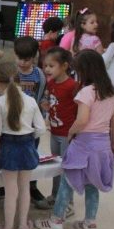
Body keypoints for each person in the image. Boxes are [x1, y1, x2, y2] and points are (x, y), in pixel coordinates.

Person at [36, 50, 114, 229]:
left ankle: (56, 221)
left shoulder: (86, 92)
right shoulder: (111, 92)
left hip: (84, 144)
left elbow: (82, 120)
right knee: (93, 184)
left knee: (67, 181)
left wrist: (71, 132)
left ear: (84, 71)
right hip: (103, 146)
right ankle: (90, 224)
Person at [0, 61, 46, 229]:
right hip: (27, 146)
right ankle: (22, 225)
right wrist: (29, 137)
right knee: (24, 188)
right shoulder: (31, 101)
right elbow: (41, 128)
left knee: (10, 191)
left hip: (7, 148)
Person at [38, 47, 78, 212]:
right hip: (54, 132)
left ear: (64, 66)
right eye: (45, 65)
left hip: (67, 135)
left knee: (66, 169)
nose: (47, 69)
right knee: (56, 167)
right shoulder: (51, 83)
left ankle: (68, 203)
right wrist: (46, 106)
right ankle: (55, 197)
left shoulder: (72, 86)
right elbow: (50, 102)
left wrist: (75, 132)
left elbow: (79, 109)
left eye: (51, 66)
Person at [13, 36, 47, 203]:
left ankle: (31, 186)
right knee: (11, 153)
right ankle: (6, 185)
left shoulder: (39, 75)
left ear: (34, 57)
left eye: (26, 59)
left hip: (31, 124)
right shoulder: (11, 72)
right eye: (19, 58)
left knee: (31, 154)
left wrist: (39, 120)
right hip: (12, 122)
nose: (22, 63)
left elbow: (41, 98)